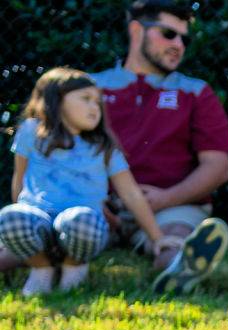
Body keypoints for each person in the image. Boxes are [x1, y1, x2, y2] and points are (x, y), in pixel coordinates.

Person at [91, 0, 228, 295]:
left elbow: (218, 167)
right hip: (100, 208)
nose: (179, 45)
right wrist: (89, 198)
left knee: (174, 239)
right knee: (62, 232)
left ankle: (179, 271)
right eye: (169, 34)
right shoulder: (90, 88)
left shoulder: (196, 92)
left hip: (171, 209)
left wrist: (164, 199)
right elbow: (61, 154)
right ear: (136, 31)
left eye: (184, 38)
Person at [4, 68, 168, 296]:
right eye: (86, 99)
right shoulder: (30, 132)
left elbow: (131, 194)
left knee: (82, 219)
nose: (95, 107)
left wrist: (157, 237)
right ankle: (41, 268)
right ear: (57, 101)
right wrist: (17, 228)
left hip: (82, 228)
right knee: (10, 216)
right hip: (39, 222)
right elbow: (18, 179)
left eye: (97, 103)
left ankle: (75, 267)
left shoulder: (103, 146)